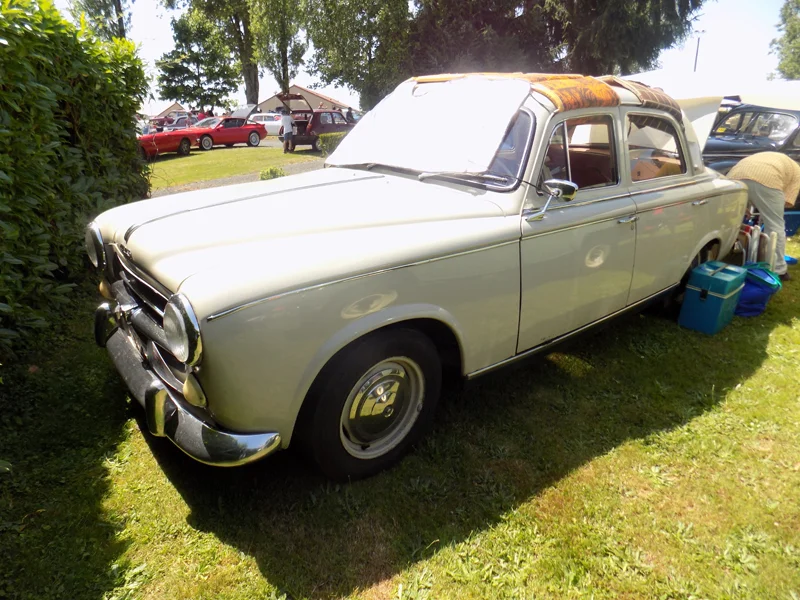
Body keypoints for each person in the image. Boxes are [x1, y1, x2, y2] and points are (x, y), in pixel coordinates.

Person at [728, 151, 800, 281]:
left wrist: (747, 206)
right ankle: (779, 269)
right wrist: (767, 208)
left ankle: (727, 258)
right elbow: (787, 202)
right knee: (775, 225)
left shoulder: (776, 158)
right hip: (768, 179)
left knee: (731, 221)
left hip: (734, 176)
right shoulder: (797, 172)